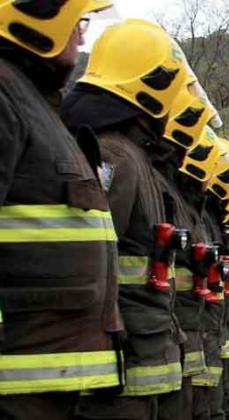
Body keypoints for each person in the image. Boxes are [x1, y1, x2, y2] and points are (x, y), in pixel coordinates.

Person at [61, 19, 191, 418]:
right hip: (126, 353)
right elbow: (91, 254)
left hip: (141, 347)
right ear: (153, 86)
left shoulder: (130, 155)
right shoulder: (115, 155)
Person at [0, 2, 123, 419]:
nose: (82, 37)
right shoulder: (6, 96)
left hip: (41, 379)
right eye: (77, 24)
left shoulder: (34, 105)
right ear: (36, 17)